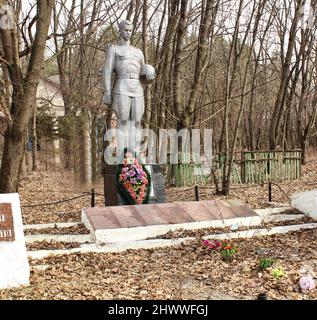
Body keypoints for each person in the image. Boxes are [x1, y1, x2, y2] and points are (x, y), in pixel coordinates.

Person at [102, 20, 155, 160]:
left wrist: (149, 76)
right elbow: (107, 71)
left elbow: (144, 74)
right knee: (123, 120)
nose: (128, 33)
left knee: (137, 121)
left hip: (137, 88)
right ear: (120, 30)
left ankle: (135, 152)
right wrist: (107, 92)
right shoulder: (114, 49)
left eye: (130, 30)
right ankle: (121, 153)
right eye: (126, 30)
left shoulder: (138, 52)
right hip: (121, 86)